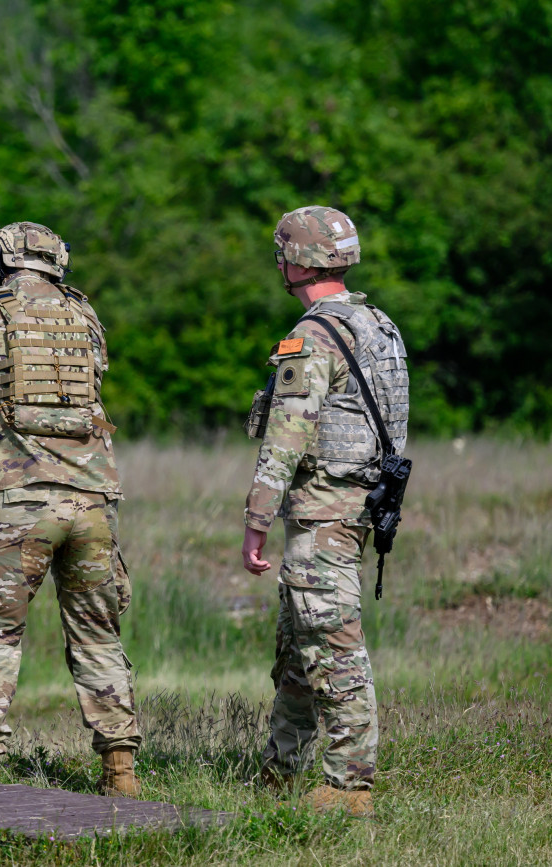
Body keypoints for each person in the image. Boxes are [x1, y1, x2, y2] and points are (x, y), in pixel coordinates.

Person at [0, 222, 141, 796]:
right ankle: (121, 772)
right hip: (91, 503)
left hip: (19, 505)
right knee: (99, 637)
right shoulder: (85, 317)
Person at [242, 206, 409, 817]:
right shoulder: (380, 325)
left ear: (294, 260)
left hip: (322, 513)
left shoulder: (311, 337)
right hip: (358, 508)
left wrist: (257, 519)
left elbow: (288, 435)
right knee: (297, 648)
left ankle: (348, 786)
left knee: (333, 646)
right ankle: (282, 772)